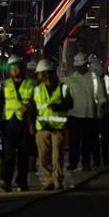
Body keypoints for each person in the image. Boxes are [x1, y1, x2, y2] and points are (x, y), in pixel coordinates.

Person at [32, 59, 73, 190]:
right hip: (43, 127)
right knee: (43, 156)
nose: (38, 76)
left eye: (39, 73)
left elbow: (69, 104)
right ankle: (48, 180)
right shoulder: (37, 89)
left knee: (57, 156)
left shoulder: (63, 88)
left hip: (57, 128)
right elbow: (32, 108)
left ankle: (57, 180)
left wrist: (57, 106)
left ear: (46, 73)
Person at [0, 55, 34, 191]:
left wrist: (31, 121)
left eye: (16, 67)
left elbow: (35, 104)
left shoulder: (29, 85)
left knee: (23, 155)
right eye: (12, 68)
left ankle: (22, 182)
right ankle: (6, 181)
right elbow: (2, 106)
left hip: (24, 124)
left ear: (21, 68)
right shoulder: (6, 85)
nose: (14, 70)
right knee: (8, 154)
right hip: (9, 124)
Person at [67, 52, 103, 171]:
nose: (79, 68)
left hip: (90, 115)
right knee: (74, 143)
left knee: (87, 142)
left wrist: (100, 114)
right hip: (74, 115)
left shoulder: (94, 78)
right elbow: (66, 96)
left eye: (81, 66)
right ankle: (73, 163)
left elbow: (101, 97)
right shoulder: (71, 78)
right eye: (78, 66)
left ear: (85, 65)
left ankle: (85, 163)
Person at [90, 55, 109, 166]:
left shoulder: (90, 79)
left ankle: (97, 159)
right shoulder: (107, 79)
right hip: (104, 111)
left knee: (95, 136)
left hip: (96, 111)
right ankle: (104, 157)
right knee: (104, 135)